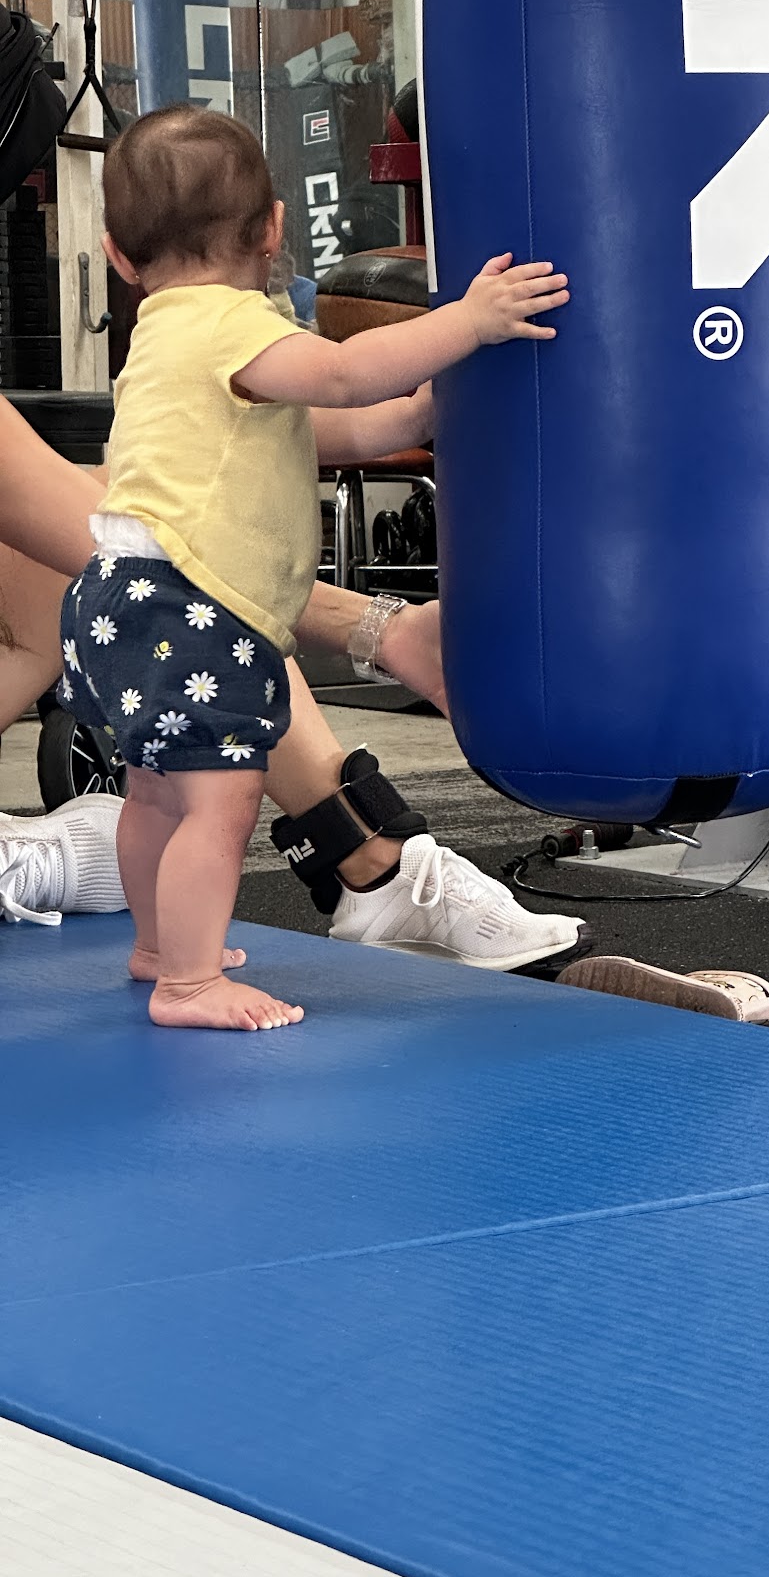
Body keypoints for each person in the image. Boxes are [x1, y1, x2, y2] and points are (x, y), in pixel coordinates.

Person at [61, 102, 572, 1032]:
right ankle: (188, 983)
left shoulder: (162, 335)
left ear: (119, 258)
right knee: (223, 802)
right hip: (189, 608)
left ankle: (160, 948)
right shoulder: (230, 321)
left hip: (116, 596)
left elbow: (313, 429)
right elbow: (341, 375)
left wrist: (411, 419)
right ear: (274, 229)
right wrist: (469, 321)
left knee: (156, 794)